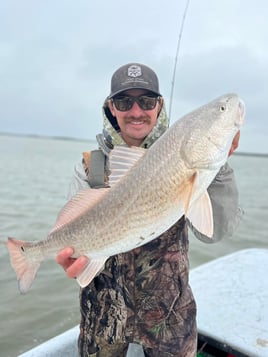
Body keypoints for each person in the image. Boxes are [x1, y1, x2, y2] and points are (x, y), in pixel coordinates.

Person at [56, 63, 242, 357]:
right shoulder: (90, 166)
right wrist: (68, 254)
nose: (136, 111)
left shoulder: (186, 150)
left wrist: (218, 166)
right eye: (124, 101)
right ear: (111, 108)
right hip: (104, 315)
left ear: (159, 105)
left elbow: (215, 232)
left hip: (169, 315)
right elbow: (72, 235)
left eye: (146, 101)